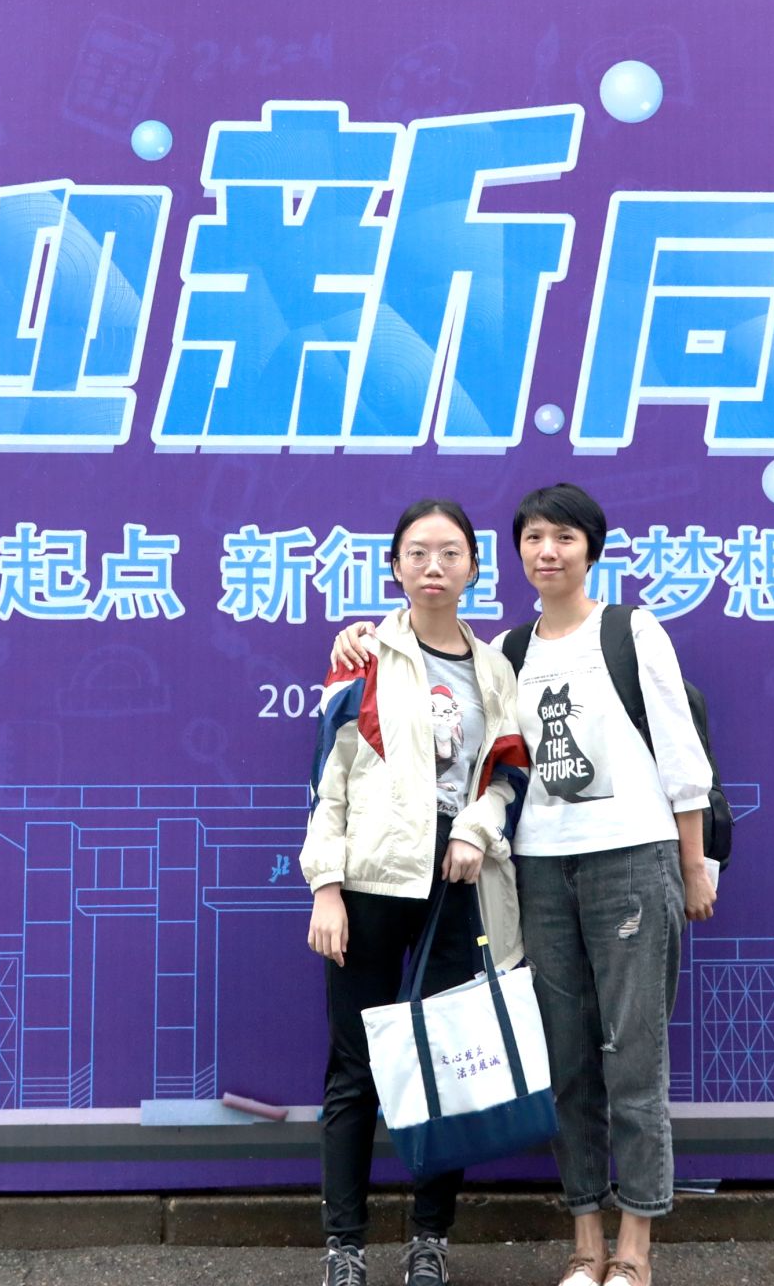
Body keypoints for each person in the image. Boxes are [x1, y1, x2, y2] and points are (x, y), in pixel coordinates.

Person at [332, 483, 717, 1286]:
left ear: (591, 549)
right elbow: (484, 761)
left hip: (628, 862)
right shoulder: (508, 651)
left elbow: (682, 758)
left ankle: (635, 1251)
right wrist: (358, 638)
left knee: (634, 1063)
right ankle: (585, 1242)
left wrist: (693, 867)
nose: (548, 551)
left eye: (564, 538)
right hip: (536, 871)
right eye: (535, 538)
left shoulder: (629, 631)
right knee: (565, 1064)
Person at [302, 498, 532, 1286]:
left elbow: (507, 777)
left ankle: (430, 1238)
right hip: (370, 882)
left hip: (459, 883)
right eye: (419, 553)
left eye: (450, 553)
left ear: (473, 567)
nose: (434, 567)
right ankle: (344, 1246)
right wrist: (326, 887)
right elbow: (328, 780)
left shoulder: (495, 669)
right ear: (395, 566)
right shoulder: (363, 655)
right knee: (354, 1069)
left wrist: (477, 829)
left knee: (448, 1065)